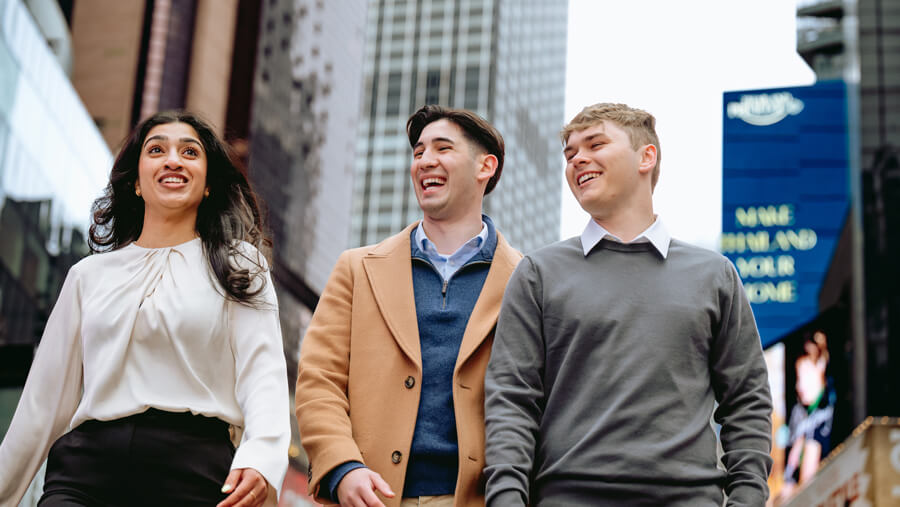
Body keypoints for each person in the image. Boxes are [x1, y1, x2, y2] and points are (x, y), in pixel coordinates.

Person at [483, 103, 773, 506]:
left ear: (646, 157)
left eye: (595, 144)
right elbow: (512, 400)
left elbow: (746, 399)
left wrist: (745, 500)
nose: (577, 159)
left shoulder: (714, 275)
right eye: (570, 154)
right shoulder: (538, 273)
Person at [0, 110, 291, 507]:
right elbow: (42, 403)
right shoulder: (89, 275)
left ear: (208, 184)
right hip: (85, 473)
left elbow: (264, 375)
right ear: (136, 182)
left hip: (193, 473)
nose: (173, 159)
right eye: (157, 150)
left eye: (190, 152)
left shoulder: (240, 264)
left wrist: (261, 457)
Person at [296, 105, 521, 507]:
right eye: (418, 152)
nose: (425, 161)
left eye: (442, 148)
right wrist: (342, 468)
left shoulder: (528, 281)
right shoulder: (357, 269)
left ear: (485, 167)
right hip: (371, 497)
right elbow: (319, 380)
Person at [778, 330, 834, 502]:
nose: (799, 385)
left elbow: (807, 479)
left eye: (806, 376)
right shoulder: (799, 413)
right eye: (798, 378)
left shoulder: (823, 417)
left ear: (821, 370)